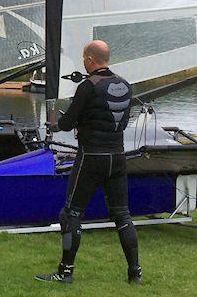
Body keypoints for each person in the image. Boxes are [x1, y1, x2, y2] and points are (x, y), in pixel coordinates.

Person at [34, 40, 142, 285]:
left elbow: (68, 122)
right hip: (117, 157)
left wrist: (56, 123)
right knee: (123, 215)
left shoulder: (87, 86)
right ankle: (134, 273)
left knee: (70, 213)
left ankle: (65, 272)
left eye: (84, 58)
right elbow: (123, 122)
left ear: (91, 60)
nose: (83, 62)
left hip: (91, 157)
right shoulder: (125, 86)